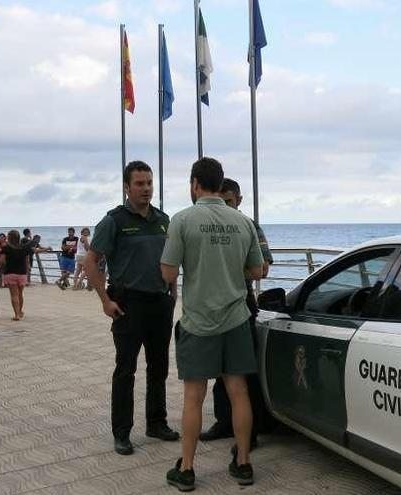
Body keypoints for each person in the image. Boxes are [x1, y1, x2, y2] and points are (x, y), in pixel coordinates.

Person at [161, 157, 265, 490]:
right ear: (220, 185)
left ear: (194, 183)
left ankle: (188, 469)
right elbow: (257, 270)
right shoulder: (242, 222)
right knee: (239, 392)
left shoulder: (182, 220)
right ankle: (244, 462)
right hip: (236, 319)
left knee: (194, 396)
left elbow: (167, 272)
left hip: (199, 321)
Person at [84, 160, 180, 458]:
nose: (146, 189)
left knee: (159, 367)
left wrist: (173, 292)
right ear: (127, 187)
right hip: (127, 303)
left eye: (149, 183)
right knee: (126, 369)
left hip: (159, 302)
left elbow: (171, 259)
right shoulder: (114, 220)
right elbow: (91, 261)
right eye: (139, 184)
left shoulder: (164, 220)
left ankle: (156, 423)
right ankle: (122, 433)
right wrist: (105, 301)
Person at [200, 178, 274, 445]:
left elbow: (263, 267)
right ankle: (224, 422)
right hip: (211, 306)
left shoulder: (249, 226)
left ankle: (250, 434)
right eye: (220, 201)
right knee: (219, 370)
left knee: (245, 371)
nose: (225, 207)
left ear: (239, 201)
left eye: (229, 201)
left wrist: (226, 270)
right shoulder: (207, 226)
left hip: (242, 302)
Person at [0, 229, 32, 321]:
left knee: (14, 295)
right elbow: (27, 262)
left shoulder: (6, 248)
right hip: (22, 273)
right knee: (20, 294)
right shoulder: (24, 248)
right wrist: (27, 270)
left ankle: (16, 314)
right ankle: (20, 311)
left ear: (9, 238)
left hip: (10, 273)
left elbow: (1, 261)